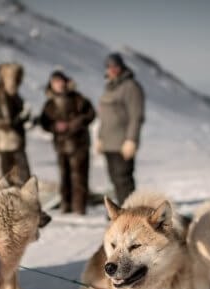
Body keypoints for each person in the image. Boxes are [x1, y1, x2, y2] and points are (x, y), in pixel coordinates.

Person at [38, 70, 96, 214]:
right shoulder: (50, 104)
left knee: (79, 177)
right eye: (55, 82)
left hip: (79, 144)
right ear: (51, 85)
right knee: (64, 177)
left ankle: (80, 208)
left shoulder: (78, 99)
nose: (59, 85)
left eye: (61, 81)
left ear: (66, 82)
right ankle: (66, 206)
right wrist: (55, 127)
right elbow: (44, 122)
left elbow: (90, 114)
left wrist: (72, 124)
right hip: (61, 145)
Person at [97, 52, 145, 204]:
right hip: (108, 142)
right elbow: (105, 116)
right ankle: (121, 209)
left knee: (124, 178)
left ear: (121, 67)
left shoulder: (131, 87)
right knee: (114, 179)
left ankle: (131, 209)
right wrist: (99, 137)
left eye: (115, 66)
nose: (112, 70)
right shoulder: (110, 87)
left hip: (122, 142)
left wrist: (131, 140)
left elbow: (136, 116)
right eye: (109, 67)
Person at [0, 62, 32, 182]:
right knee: (7, 178)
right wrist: (11, 123)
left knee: (23, 176)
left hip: (16, 143)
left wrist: (25, 118)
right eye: (13, 78)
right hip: (3, 144)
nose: (16, 81)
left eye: (17, 78)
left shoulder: (15, 96)